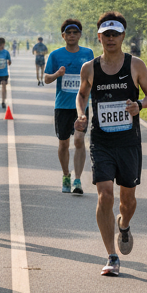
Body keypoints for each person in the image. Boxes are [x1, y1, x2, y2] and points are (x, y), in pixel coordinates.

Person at [75, 11, 147, 276]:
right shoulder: (90, 68)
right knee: (105, 194)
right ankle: (111, 255)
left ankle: (124, 225)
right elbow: (81, 95)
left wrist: (139, 105)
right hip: (101, 141)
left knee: (128, 201)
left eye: (115, 34)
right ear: (99, 37)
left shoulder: (136, 65)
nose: (110, 39)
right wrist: (82, 114)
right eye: (106, 34)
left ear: (123, 36)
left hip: (128, 141)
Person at [44, 17, 94, 194]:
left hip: (81, 105)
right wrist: (57, 73)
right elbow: (46, 79)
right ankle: (66, 174)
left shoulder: (88, 54)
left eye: (75, 32)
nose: (72, 35)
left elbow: (93, 77)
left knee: (79, 140)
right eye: (69, 33)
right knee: (64, 144)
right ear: (63, 36)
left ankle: (78, 180)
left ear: (80, 35)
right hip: (62, 106)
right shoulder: (56, 55)